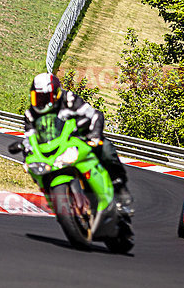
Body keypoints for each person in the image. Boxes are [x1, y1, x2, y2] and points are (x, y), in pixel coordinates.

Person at [24, 73, 133, 215]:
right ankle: (49, 194)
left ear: (56, 94)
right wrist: (27, 153)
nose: (40, 101)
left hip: (80, 138)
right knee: (33, 166)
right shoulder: (31, 114)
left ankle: (120, 190)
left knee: (105, 148)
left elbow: (95, 115)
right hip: (53, 147)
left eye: (45, 97)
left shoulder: (69, 100)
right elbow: (28, 138)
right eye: (37, 97)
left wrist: (94, 136)